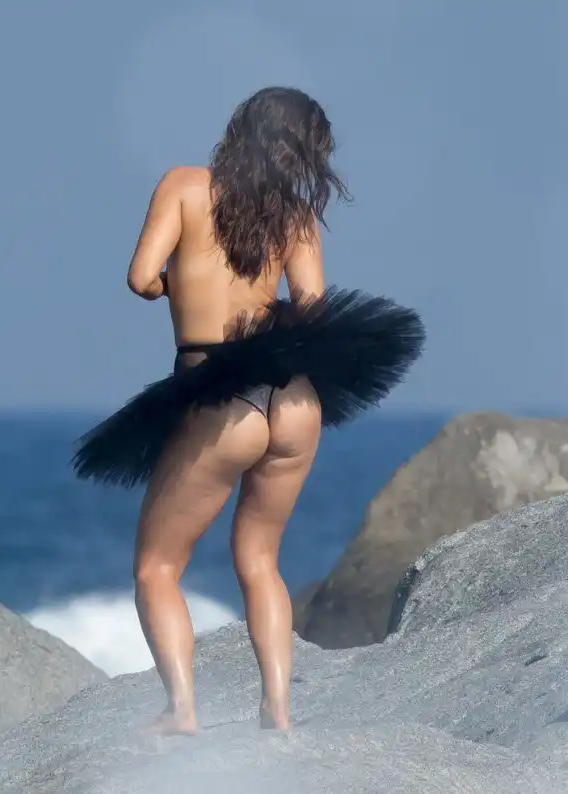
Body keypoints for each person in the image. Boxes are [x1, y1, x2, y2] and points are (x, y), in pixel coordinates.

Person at [72, 86, 425, 735]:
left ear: (240, 129)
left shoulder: (184, 186)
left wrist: (183, 283)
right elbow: (313, 312)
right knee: (261, 561)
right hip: (293, 399)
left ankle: (181, 710)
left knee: (157, 567)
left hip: (218, 393)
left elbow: (141, 277)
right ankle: (278, 712)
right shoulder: (295, 216)